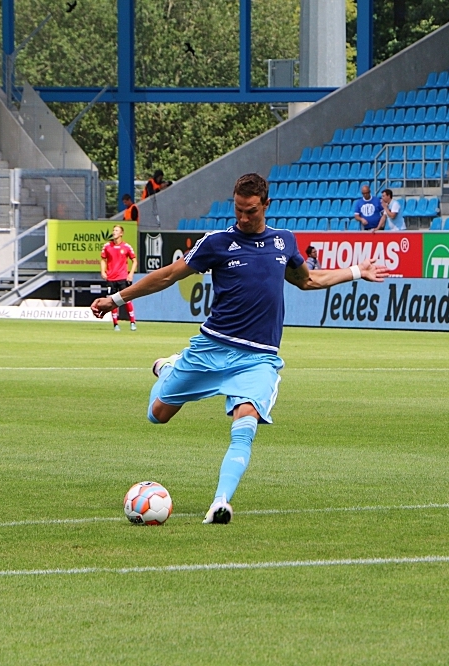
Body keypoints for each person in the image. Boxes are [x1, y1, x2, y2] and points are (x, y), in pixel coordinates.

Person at [91, 173, 389, 524]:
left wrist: (356, 271)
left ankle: (220, 501)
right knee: (157, 415)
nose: (243, 218)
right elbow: (170, 275)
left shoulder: (284, 242)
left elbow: (308, 280)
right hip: (211, 347)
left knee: (246, 419)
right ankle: (170, 368)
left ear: (265, 205)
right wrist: (115, 298)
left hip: (259, 358)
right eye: (238, 210)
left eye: (250, 211)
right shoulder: (217, 242)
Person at [99, 224, 137, 331]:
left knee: (127, 299)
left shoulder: (126, 247)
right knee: (113, 301)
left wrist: (131, 274)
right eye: (113, 230)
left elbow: (134, 260)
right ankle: (115, 324)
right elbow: (103, 259)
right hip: (111, 278)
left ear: (121, 233)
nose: (114, 232)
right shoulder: (107, 246)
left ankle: (133, 322)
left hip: (122, 278)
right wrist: (103, 271)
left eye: (116, 230)